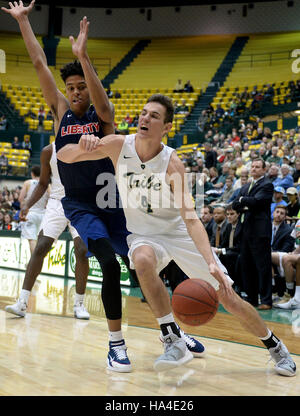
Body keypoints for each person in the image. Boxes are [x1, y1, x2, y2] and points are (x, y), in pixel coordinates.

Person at [1, 1, 202, 372]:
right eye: (71, 87)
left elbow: (103, 103)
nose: (76, 92)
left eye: (81, 86)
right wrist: (24, 22)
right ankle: (116, 345)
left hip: (114, 202)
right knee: (109, 264)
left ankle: (170, 330)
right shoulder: (61, 112)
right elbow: (38, 65)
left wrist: (84, 56)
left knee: (141, 265)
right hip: (81, 206)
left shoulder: (102, 117)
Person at [58, 93, 296, 376]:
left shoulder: (173, 164)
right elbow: (64, 156)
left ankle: (275, 346)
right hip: (143, 234)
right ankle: (172, 338)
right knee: (143, 260)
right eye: (144, 113)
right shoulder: (118, 145)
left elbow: (192, 218)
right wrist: (82, 145)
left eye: (154, 116)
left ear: (167, 127)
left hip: (177, 232)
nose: (145, 118)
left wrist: (210, 261)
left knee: (229, 297)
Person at [5, 143, 90, 320]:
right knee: (41, 246)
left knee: (81, 249)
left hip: (82, 202)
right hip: (57, 202)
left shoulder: (84, 143)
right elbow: (43, 183)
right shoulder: (48, 151)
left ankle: (79, 304)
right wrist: (26, 205)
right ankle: (22, 302)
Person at [232, 158, 274, 310]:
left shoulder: (267, 184)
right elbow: (235, 204)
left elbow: (257, 202)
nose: (254, 169)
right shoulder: (246, 186)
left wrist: (244, 201)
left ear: (264, 170)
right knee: (247, 265)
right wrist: (245, 203)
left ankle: (266, 300)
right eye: (253, 166)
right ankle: (251, 298)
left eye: (257, 167)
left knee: (262, 266)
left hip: (259, 232)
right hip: (245, 231)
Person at [18, 165, 49, 254]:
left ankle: (34, 263)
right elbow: (51, 198)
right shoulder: (46, 184)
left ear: (32, 174)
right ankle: (37, 262)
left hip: (30, 214)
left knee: (32, 240)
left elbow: (20, 198)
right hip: (43, 215)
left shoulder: (27, 183)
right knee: (39, 241)